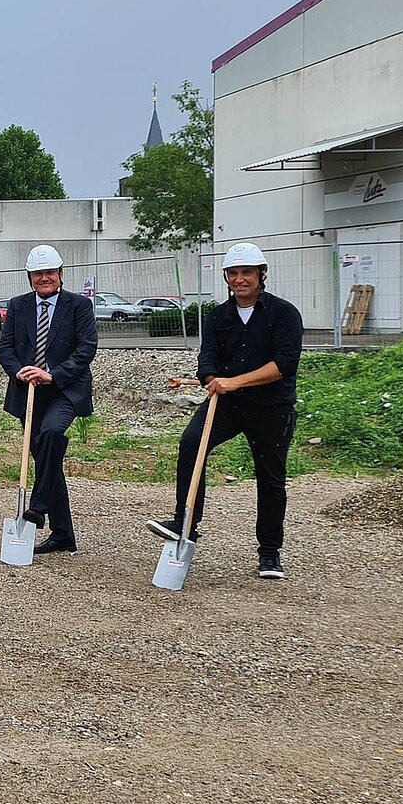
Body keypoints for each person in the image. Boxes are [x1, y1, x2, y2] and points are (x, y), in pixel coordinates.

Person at [148, 243, 304, 579]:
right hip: (227, 405)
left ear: (262, 275)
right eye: (233, 274)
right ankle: (185, 523)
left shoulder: (284, 313)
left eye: (247, 272)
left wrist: (235, 381)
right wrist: (210, 377)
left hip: (271, 407)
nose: (240, 279)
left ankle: (269, 553)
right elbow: (208, 358)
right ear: (226, 278)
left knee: (270, 478)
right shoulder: (218, 316)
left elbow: (284, 364)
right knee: (191, 445)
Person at [0, 244, 97, 554]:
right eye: (38, 274)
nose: (45, 278)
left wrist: (53, 374)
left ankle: (38, 506)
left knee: (52, 434)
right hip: (29, 392)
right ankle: (63, 534)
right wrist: (19, 372)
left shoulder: (79, 306)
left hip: (65, 389)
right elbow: (5, 348)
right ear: (29, 277)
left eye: (50, 273)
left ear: (60, 275)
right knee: (47, 459)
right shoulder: (18, 306)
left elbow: (86, 348)